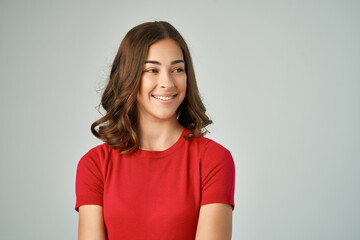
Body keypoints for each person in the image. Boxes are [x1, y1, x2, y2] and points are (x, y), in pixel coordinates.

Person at [75, 21, 236, 240]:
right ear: (128, 77)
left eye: (177, 69)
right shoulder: (94, 165)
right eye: (152, 70)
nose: (167, 83)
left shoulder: (213, 160)